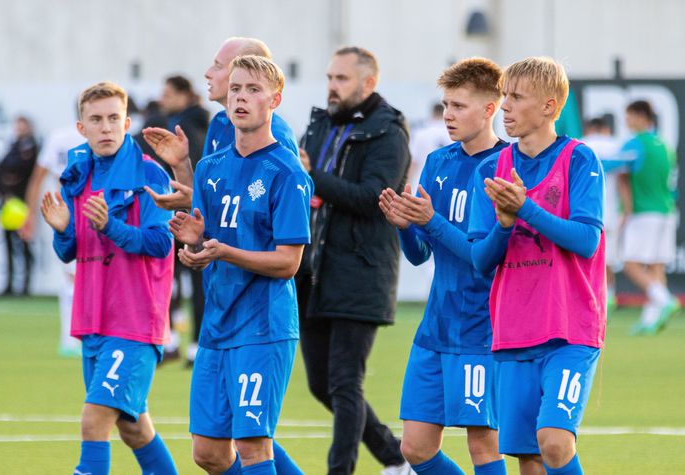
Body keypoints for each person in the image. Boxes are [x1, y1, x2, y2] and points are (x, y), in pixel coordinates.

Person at [167, 55, 310, 475]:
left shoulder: (287, 171)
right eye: (235, 89)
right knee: (208, 453)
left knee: (251, 446)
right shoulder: (210, 168)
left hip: (264, 326)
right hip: (217, 324)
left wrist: (222, 251)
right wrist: (194, 248)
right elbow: (207, 237)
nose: (241, 98)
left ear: (275, 100)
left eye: (252, 90)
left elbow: (288, 263)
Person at [468, 57, 606, 475]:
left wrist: (524, 208)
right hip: (513, 330)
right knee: (529, 457)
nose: (504, 106)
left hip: (571, 329)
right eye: (503, 96)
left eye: (515, 97)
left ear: (549, 106)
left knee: (555, 443)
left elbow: (586, 240)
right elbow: (481, 260)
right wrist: (506, 224)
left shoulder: (579, 160)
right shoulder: (490, 169)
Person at [40, 81, 178, 475]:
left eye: (114, 118)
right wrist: (64, 229)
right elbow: (69, 251)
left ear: (127, 123)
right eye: (96, 120)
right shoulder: (79, 174)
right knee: (133, 429)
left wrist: (110, 226)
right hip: (94, 319)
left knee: (94, 419)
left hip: (134, 321)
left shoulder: (150, 175)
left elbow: (159, 243)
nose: (106, 127)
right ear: (81, 128)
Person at [379, 58, 507, 475]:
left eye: (459, 106)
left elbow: (480, 256)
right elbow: (420, 254)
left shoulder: (505, 168)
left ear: (489, 109)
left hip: (482, 326)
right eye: (446, 105)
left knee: (483, 445)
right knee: (415, 447)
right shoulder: (438, 163)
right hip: (436, 326)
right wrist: (403, 227)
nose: (448, 115)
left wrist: (429, 219)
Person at [143, 38, 298, 368]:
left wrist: (220, 244)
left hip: (258, 310)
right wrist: (183, 166)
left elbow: (268, 215)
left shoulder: (276, 140)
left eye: (217, 65)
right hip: (222, 299)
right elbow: (210, 203)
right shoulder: (220, 124)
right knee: (207, 420)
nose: (208, 73)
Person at [296, 46, 411, 475]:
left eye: (341, 79)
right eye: (329, 77)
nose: (331, 86)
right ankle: (395, 457)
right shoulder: (320, 123)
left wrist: (313, 177)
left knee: (345, 383)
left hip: (362, 269)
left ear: (368, 83)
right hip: (314, 269)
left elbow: (374, 198)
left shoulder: (389, 130)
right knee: (321, 385)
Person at [19, 119, 85, 356]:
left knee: (70, 275)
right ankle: (73, 337)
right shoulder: (99, 137)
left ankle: (71, 337)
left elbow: (38, 177)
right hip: (79, 211)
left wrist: (30, 215)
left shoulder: (59, 136)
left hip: (63, 211)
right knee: (74, 275)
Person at [158, 75, 211, 362]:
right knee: (186, 279)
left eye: (167, 93)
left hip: (187, 214)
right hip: (190, 213)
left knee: (184, 278)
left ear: (183, 94)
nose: (162, 98)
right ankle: (182, 344)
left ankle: (181, 344)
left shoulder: (186, 127)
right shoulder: (197, 123)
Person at [618, 100, 680, 334]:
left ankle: (665, 300)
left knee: (630, 264)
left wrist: (625, 210)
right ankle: (651, 319)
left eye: (629, 116)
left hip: (643, 212)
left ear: (642, 117)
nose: (627, 121)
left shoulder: (635, 144)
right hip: (667, 211)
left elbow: (618, 171)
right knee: (656, 266)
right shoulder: (665, 145)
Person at [580, 117, 622, 314]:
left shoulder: (581, 144)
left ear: (590, 128)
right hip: (610, 211)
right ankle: (609, 297)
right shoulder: (616, 146)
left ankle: (593, 299)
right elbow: (624, 181)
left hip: (585, 213)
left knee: (586, 260)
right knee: (609, 260)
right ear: (605, 129)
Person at [0, 116, 38, 295]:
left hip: (23, 203)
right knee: (8, 244)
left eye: (22, 126)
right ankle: (10, 284)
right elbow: (1, 168)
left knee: (25, 244)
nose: (19, 130)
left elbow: (20, 168)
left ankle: (26, 285)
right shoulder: (13, 146)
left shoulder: (31, 147)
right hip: (9, 204)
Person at [408, 102, 453, 189]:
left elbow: (413, 162)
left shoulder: (420, 133)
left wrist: (407, 184)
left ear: (432, 113)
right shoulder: (453, 134)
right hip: (447, 185)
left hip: (422, 183)